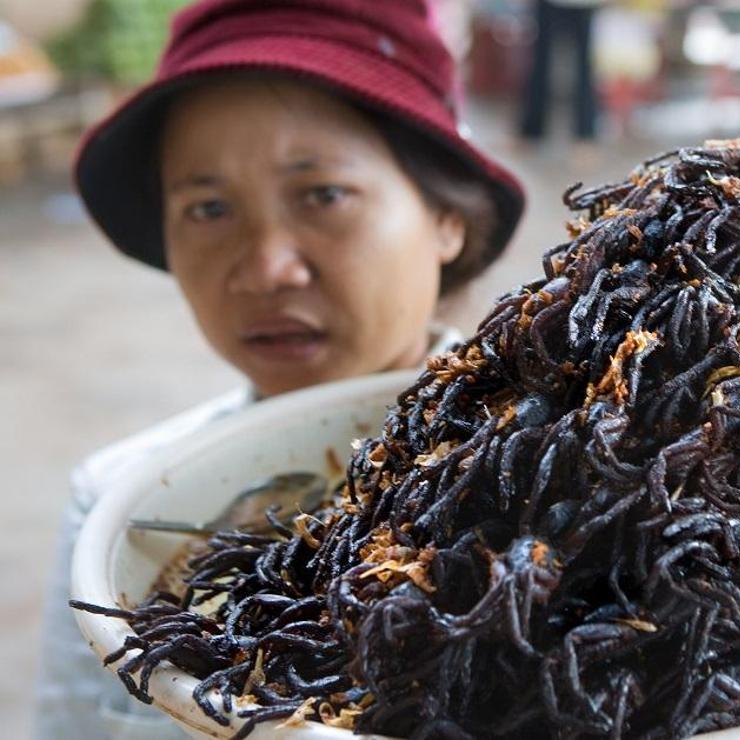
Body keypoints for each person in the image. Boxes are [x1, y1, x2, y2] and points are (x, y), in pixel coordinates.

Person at [33, 1, 524, 737]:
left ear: (447, 218)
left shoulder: (581, 486)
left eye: (323, 194)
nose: (267, 268)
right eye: (207, 208)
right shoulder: (123, 517)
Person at [519, 0, 604, 144]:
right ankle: (531, 131)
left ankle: (585, 134)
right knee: (540, 64)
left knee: (584, 69)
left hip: (584, 5)